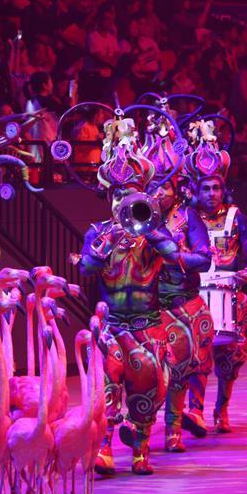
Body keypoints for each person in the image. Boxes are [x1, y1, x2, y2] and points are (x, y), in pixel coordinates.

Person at [81, 122, 179, 475]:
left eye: (130, 195)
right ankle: (104, 447)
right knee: (107, 386)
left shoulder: (154, 233)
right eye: (117, 195)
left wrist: (150, 231)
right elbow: (87, 268)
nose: (122, 202)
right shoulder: (98, 232)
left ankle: (141, 452)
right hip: (111, 326)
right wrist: (106, 244)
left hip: (146, 326)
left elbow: (174, 256)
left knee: (146, 391)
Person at [186, 127, 247, 434]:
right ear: (197, 190)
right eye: (205, 188)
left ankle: (221, 408)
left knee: (230, 358)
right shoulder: (186, 218)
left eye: (216, 188)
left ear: (223, 189)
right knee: (197, 353)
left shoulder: (236, 217)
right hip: (195, 295)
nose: (211, 194)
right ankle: (194, 411)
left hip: (229, 291)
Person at [144, 124, 213, 452]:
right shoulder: (137, 217)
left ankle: (174, 429)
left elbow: (205, 259)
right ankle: (134, 427)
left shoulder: (188, 216)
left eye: (165, 186)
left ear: (177, 188)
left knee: (179, 367)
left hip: (181, 302)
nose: (158, 193)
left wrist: (175, 256)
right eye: (152, 187)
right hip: (145, 305)